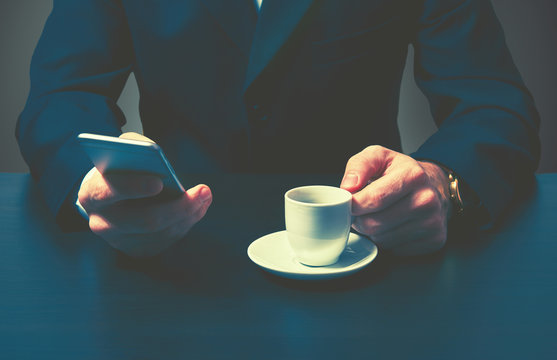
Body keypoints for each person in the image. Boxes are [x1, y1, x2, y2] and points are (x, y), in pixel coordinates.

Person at [16, 0, 540, 257]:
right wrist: (98, 190)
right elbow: (62, 95)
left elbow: (495, 104)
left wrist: (444, 183)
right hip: (166, 267)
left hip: (372, 266)